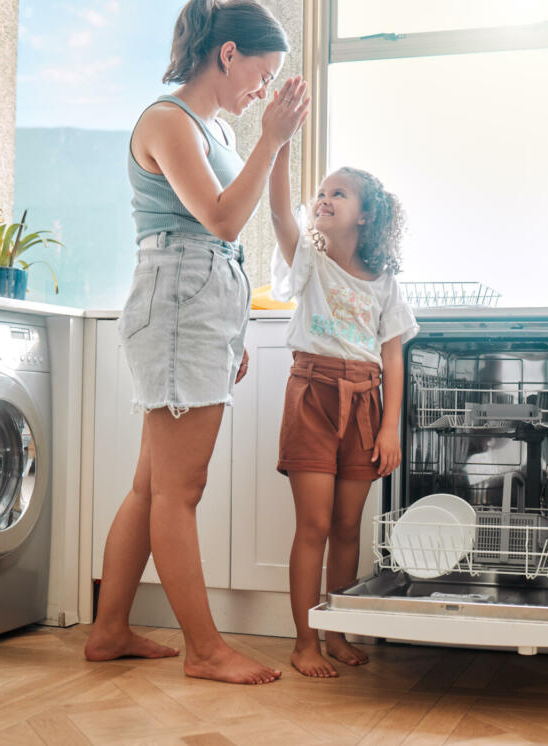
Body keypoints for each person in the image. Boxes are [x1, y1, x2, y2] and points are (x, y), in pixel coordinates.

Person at [83, 0, 309, 685]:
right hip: (178, 310)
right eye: (261, 75)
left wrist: (230, 332)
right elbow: (220, 222)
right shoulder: (167, 120)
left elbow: (239, 225)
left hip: (197, 314)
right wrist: (269, 138)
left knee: (152, 486)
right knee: (181, 489)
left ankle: (109, 630)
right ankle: (206, 651)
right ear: (229, 53)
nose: (260, 92)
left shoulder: (213, 130)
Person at [269, 150, 419, 677]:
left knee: (348, 526)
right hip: (313, 395)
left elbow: (393, 354)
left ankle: (336, 633)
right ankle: (303, 641)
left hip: (364, 404)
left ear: (366, 216)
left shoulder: (384, 283)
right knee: (312, 524)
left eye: (339, 193)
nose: (324, 199)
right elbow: (280, 215)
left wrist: (389, 425)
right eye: (321, 193)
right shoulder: (308, 259)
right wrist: (280, 145)